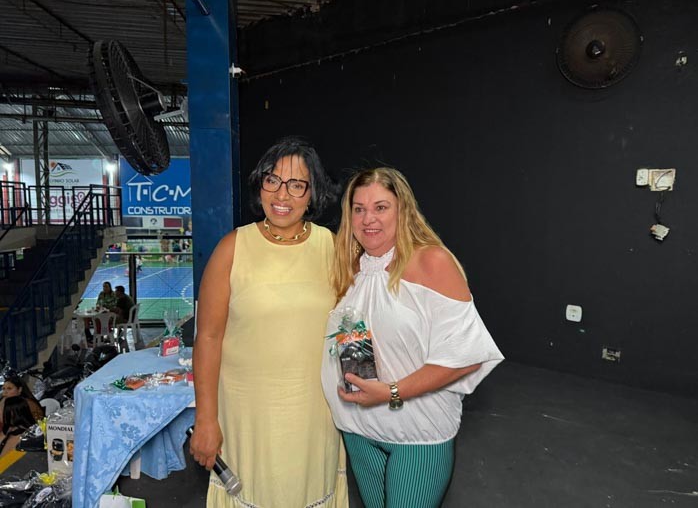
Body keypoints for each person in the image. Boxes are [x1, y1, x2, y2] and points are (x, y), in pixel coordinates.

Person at [321, 167, 504, 508]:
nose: (368, 219)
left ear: (402, 210)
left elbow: (466, 357)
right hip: (358, 430)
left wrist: (391, 392)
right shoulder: (351, 268)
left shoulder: (431, 262)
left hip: (416, 435)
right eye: (359, 209)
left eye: (380, 207)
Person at [190, 137, 348, 508]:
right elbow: (208, 338)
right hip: (247, 418)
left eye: (296, 185)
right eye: (272, 180)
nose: (281, 194)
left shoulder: (332, 247)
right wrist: (206, 419)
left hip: (314, 416)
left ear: (312, 193)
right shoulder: (233, 248)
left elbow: (353, 327)